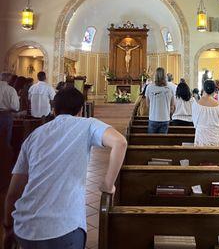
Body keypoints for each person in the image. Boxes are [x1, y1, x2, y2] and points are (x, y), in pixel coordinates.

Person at [3, 87, 127, 249]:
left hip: (25, 228)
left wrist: (7, 227)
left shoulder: (34, 136)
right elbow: (120, 142)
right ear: (81, 110)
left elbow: (13, 193)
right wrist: (107, 184)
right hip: (65, 227)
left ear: (53, 110)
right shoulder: (87, 124)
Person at [192, 80, 219, 146]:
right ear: (214, 90)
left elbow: (195, 123)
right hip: (216, 137)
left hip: (201, 137)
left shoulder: (195, 105)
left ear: (203, 89)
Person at [146, 67, 175, 134]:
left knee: (151, 143)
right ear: (165, 76)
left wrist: (153, 111)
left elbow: (147, 105)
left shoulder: (149, 87)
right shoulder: (170, 88)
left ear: (155, 76)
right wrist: (168, 114)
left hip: (153, 118)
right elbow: (172, 106)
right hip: (165, 118)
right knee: (162, 143)